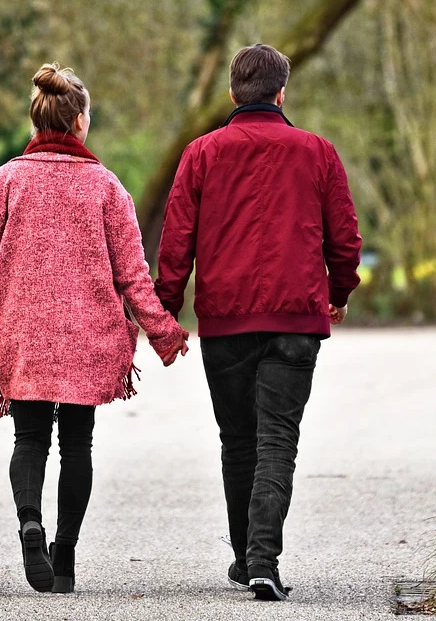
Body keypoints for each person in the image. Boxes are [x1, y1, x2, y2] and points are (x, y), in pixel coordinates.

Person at [0, 63, 189, 594]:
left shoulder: (3, 183)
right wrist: (164, 333)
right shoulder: (106, 187)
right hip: (89, 337)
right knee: (77, 445)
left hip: (24, 333)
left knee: (30, 436)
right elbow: (133, 276)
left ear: (36, 119)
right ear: (80, 121)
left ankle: (29, 524)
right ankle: (64, 557)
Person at [155, 43, 363, 601]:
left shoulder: (201, 154)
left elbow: (176, 241)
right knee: (278, 439)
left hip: (225, 320)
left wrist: (165, 312)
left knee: (238, 440)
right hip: (296, 318)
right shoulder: (316, 152)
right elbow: (344, 237)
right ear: (281, 92)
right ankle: (262, 558)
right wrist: (339, 292)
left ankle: (248, 557)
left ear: (232, 93)